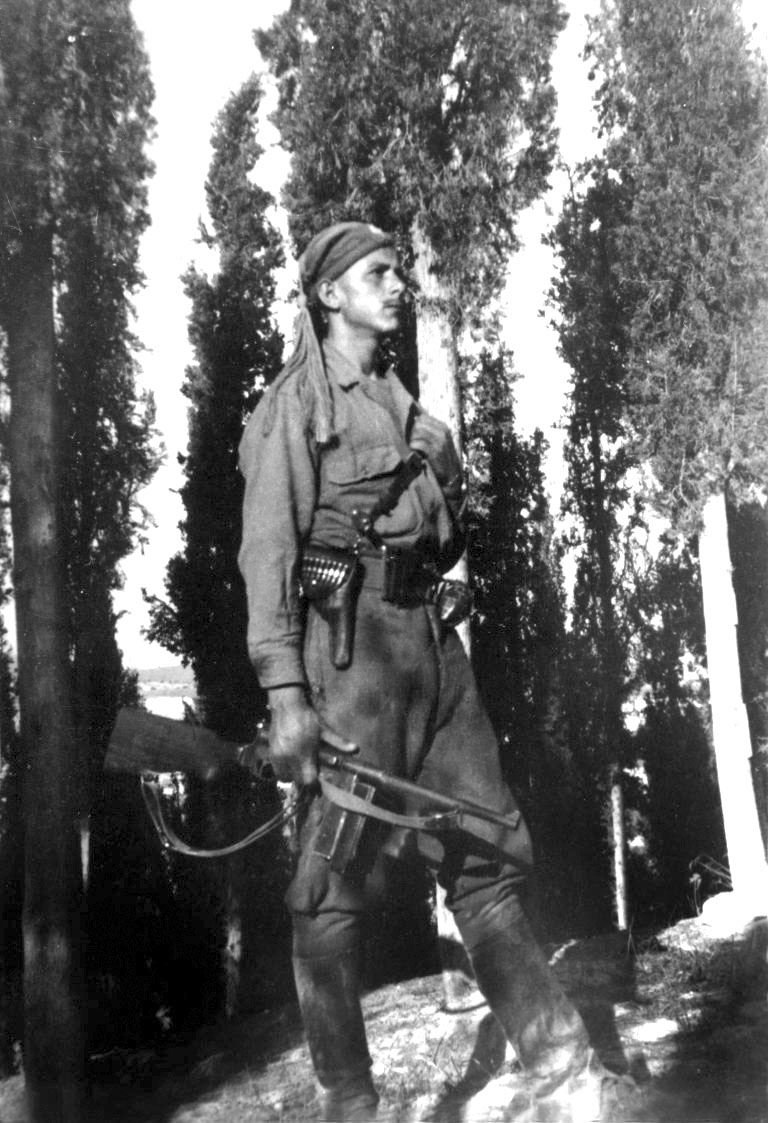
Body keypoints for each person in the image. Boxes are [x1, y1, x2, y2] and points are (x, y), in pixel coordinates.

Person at [237, 222, 612, 1122]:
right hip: (351, 657)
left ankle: (565, 1068)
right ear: (330, 294)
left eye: (398, 270)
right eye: (377, 273)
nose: (397, 284)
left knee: (484, 857)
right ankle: (349, 1101)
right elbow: (268, 550)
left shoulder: (397, 401)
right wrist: (285, 691)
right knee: (328, 888)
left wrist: (449, 494)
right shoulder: (297, 405)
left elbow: (438, 538)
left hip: (433, 654)